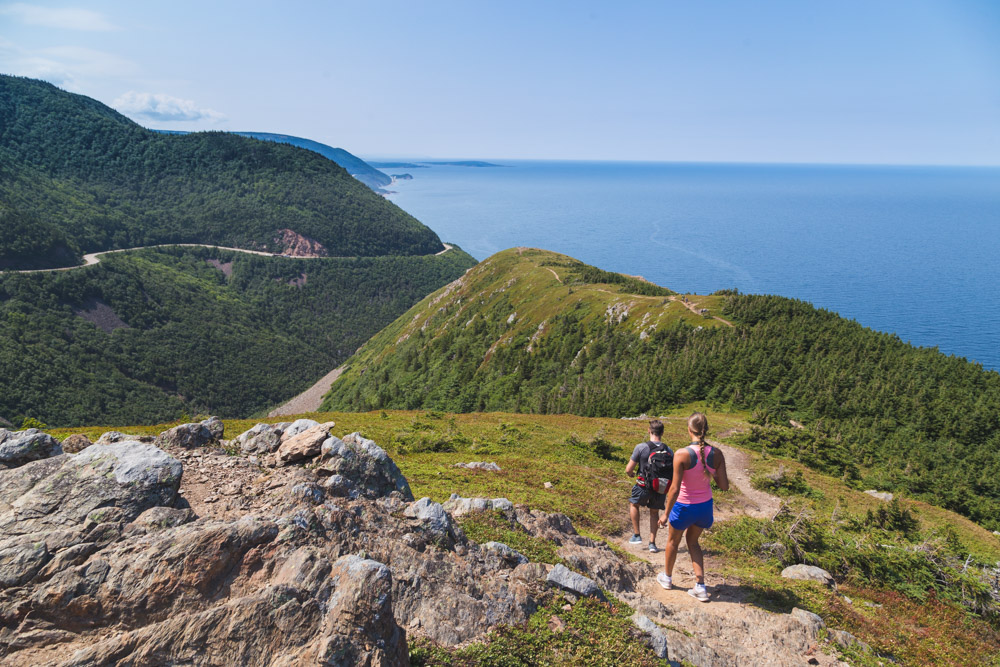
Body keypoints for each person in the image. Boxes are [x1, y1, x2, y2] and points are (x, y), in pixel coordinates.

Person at [657, 412, 729, 602]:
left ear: (689, 430)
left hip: (684, 506)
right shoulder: (717, 454)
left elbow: (674, 488)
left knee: (673, 542)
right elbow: (724, 486)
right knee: (694, 542)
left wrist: (665, 514)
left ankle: (667, 578)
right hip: (704, 507)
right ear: (706, 431)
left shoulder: (682, 454)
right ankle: (700, 586)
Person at [625, 419, 672, 553]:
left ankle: (637, 535)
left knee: (634, 504)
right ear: (662, 432)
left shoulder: (641, 447)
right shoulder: (668, 450)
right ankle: (652, 543)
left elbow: (629, 469)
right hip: (660, 488)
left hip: (643, 486)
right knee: (654, 512)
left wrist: (631, 474)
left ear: (649, 430)